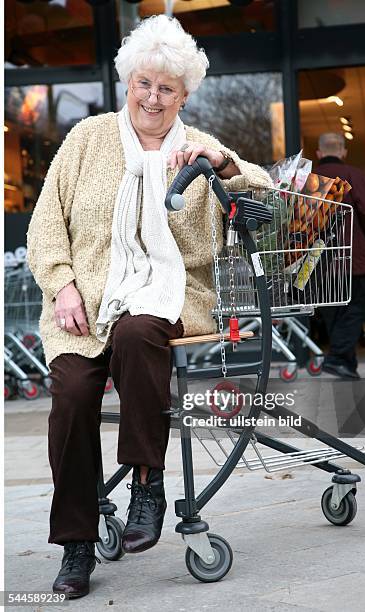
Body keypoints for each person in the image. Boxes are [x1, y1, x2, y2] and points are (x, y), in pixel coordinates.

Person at [26, 15, 271, 599]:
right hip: (85, 304)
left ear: (184, 95)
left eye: (167, 88)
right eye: (144, 84)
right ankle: (77, 544)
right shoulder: (86, 139)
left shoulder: (198, 147)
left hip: (172, 298)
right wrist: (61, 285)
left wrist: (225, 165)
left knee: (139, 335)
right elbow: (45, 226)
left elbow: (263, 189)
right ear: (126, 83)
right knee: (74, 393)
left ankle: (146, 484)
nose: (153, 98)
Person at [314, 133, 365, 379]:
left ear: (319, 153)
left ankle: (347, 365)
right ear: (343, 152)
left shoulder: (308, 179)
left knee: (333, 312)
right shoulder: (354, 176)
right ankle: (337, 359)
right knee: (354, 310)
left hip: (317, 264)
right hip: (352, 260)